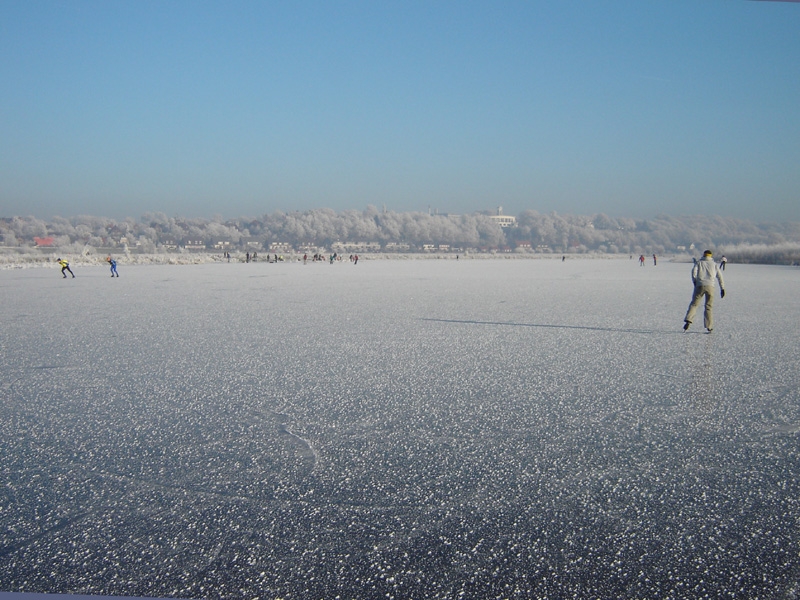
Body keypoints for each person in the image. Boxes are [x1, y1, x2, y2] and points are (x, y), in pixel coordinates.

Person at [684, 250, 725, 333]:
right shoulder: (714, 264)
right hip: (710, 286)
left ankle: (688, 319)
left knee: (694, 304)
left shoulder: (699, 263)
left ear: (704, 255)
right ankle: (709, 326)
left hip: (699, 285)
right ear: (710, 256)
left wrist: (695, 282)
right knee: (708, 306)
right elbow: (720, 277)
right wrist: (722, 288)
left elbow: (693, 272)